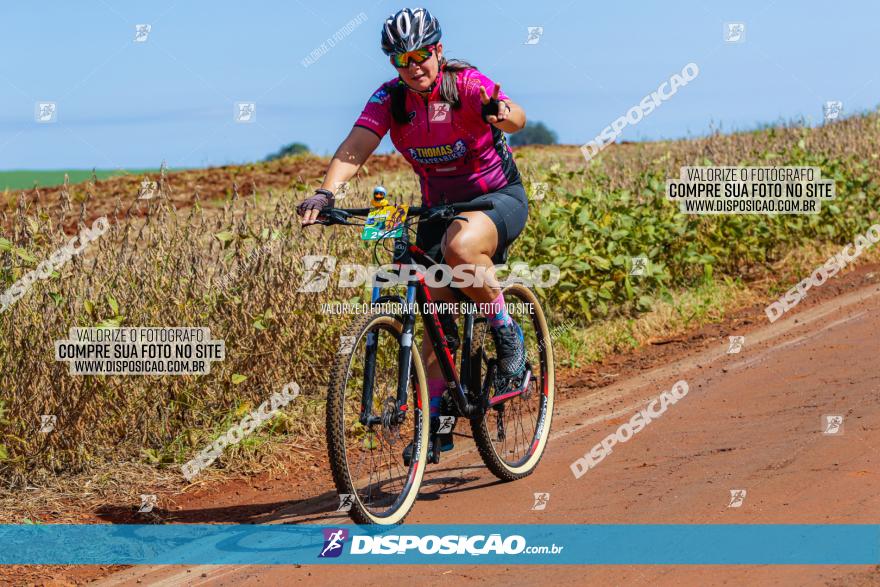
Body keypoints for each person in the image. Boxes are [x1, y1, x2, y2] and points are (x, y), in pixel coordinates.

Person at [297, 7, 530, 461]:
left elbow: (516, 115)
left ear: (437, 50)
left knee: (459, 247)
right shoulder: (391, 99)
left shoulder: (465, 84)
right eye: (401, 60)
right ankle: (437, 421)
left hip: (495, 198)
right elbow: (356, 145)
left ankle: (506, 331)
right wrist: (325, 194)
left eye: (421, 54)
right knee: (432, 311)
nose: (413, 66)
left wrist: (501, 114)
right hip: (438, 207)